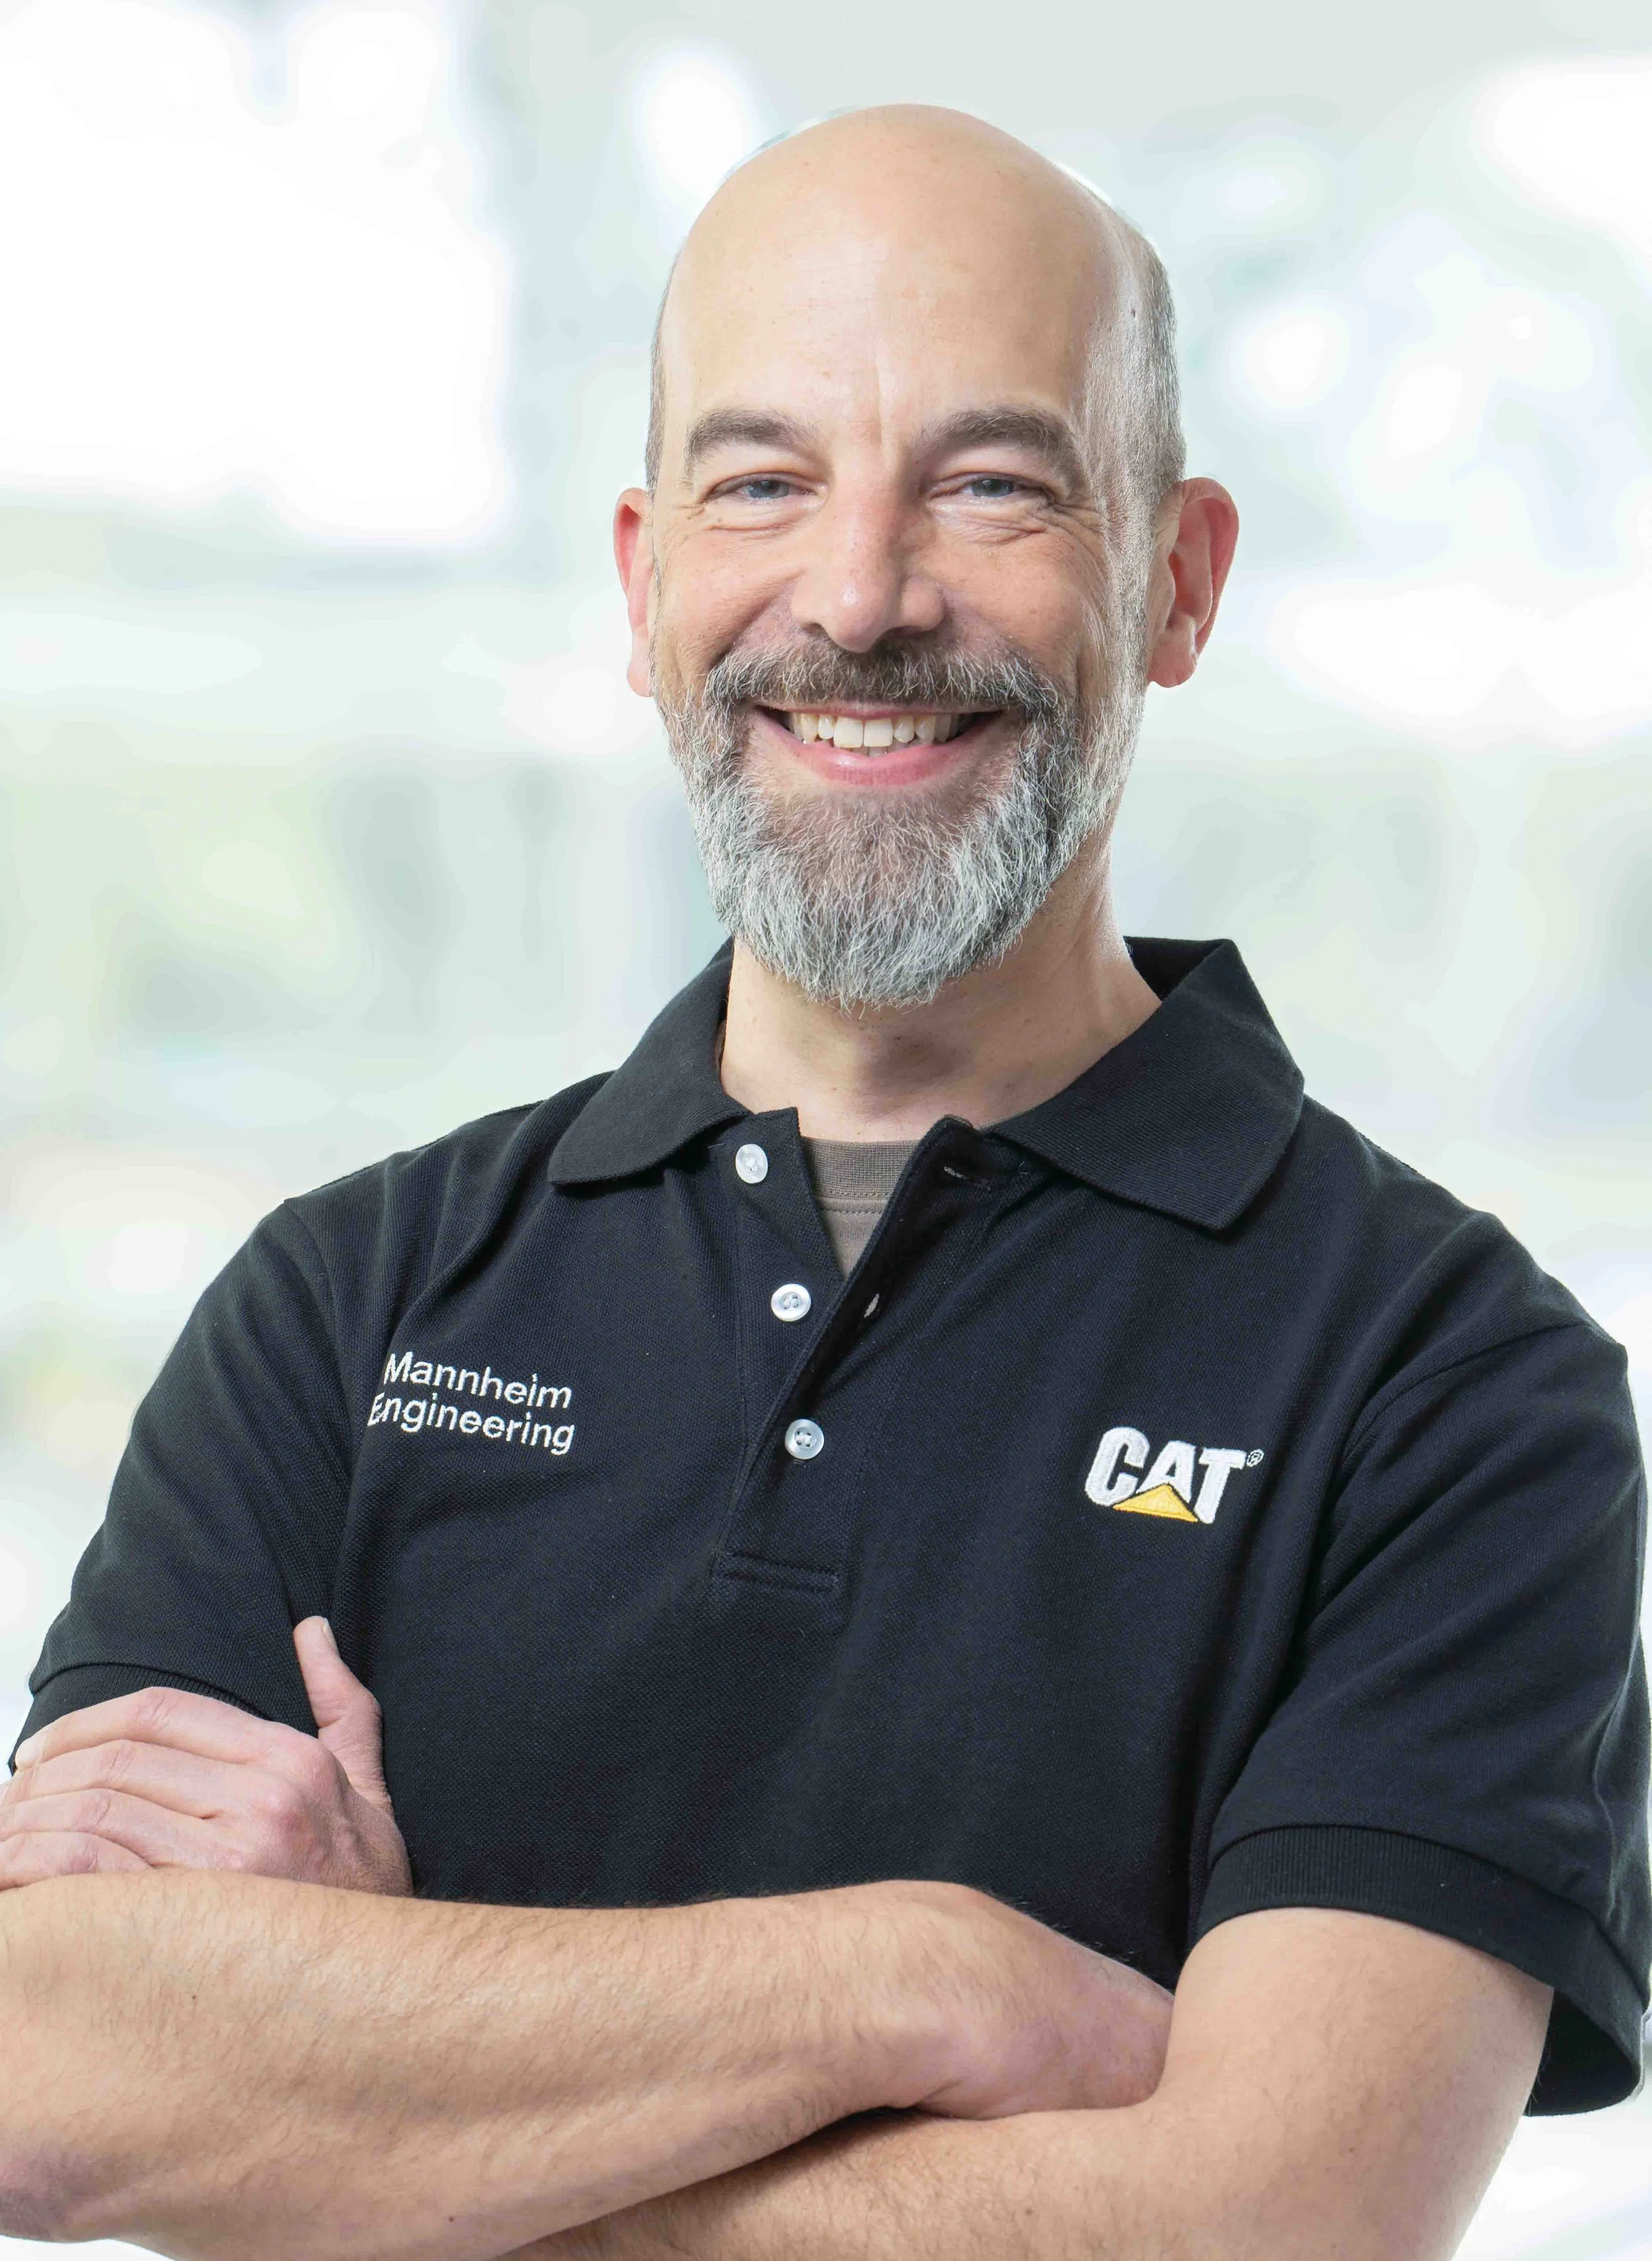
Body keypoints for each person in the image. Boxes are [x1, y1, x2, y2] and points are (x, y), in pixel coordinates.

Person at [1, 103, 1646, 2261]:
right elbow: (48, 2074)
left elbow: (1259, 2225)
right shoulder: (350, 1296)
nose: (859, 598)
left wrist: (375, 2103)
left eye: (987, 484)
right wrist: (919, 1974)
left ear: (1176, 576)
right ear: (642, 582)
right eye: (761, 483)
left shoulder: (1452, 1388)